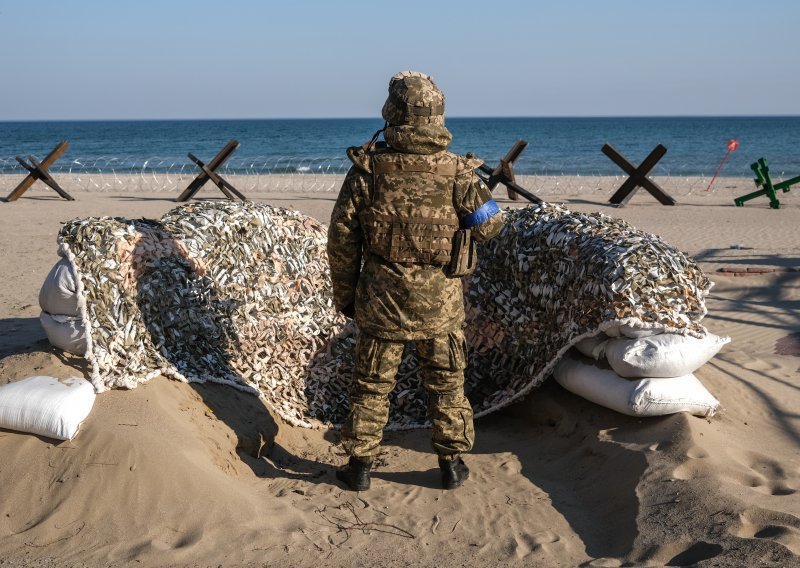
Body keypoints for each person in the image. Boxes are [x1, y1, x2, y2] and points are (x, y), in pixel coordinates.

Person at [327, 71, 504, 491]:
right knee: (446, 385)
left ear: (392, 113)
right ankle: (452, 465)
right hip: (441, 305)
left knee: (371, 385)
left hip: (380, 301)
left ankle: (360, 467)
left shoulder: (367, 170)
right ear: (437, 117)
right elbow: (491, 223)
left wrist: (346, 296)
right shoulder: (459, 173)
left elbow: (342, 240)